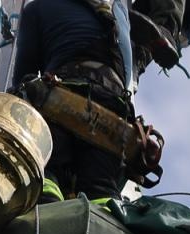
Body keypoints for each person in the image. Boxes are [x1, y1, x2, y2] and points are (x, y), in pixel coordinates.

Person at [11, 0, 137, 202]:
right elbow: (127, 73)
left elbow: (22, 77)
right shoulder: (118, 16)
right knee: (102, 192)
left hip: (61, 103)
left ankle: (46, 198)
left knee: (46, 179)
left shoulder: (39, 8)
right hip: (113, 116)